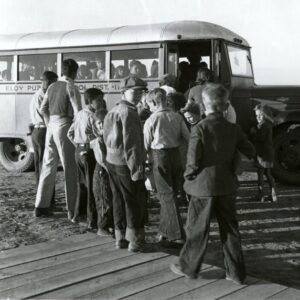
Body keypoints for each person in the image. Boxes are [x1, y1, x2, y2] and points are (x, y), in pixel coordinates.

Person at [170, 83, 255, 284]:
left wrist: (189, 176)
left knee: (198, 229)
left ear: (203, 106)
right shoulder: (234, 128)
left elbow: (193, 159)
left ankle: (189, 267)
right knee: (231, 230)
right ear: (226, 106)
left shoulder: (199, 128)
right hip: (227, 186)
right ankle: (236, 273)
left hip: (202, 187)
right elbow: (250, 150)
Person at [103, 74, 147, 252]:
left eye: (140, 92)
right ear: (124, 92)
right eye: (133, 92)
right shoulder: (129, 113)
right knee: (133, 201)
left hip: (111, 161)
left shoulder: (113, 110)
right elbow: (132, 145)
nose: (137, 95)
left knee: (118, 200)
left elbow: (105, 137)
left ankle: (120, 238)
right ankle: (135, 241)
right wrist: (137, 169)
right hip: (125, 163)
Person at [35, 59, 82, 219]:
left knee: (48, 166)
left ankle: (41, 205)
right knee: (70, 168)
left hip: (51, 127)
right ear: (75, 72)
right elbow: (78, 112)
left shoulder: (52, 86)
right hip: (64, 125)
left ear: (62, 71)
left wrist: (49, 124)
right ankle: (72, 209)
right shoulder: (71, 87)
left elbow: (42, 109)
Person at [144, 88, 189, 244]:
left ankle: (177, 235)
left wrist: (144, 162)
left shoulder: (152, 120)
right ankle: (164, 232)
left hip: (160, 156)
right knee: (171, 194)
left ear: (155, 103)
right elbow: (188, 137)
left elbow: (145, 144)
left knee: (165, 195)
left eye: (149, 104)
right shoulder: (177, 116)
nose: (148, 107)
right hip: (175, 155)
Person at [67, 88, 105, 228]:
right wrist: (88, 146)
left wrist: (79, 146)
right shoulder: (92, 116)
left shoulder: (79, 114)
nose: (101, 103)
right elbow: (96, 135)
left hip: (79, 151)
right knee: (92, 186)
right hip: (89, 152)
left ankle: (78, 215)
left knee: (82, 185)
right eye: (99, 100)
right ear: (90, 101)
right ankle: (91, 219)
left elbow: (70, 133)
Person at [30, 71, 58, 186]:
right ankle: (44, 192)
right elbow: (45, 112)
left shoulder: (39, 94)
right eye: (54, 82)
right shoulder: (43, 96)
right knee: (44, 162)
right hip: (42, 130)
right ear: (47, 81)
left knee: (40, 162)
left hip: (37, 131)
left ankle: (41, 191)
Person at [90, 109, 114, 236]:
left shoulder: (106, 137)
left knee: (108, 198)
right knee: (104, 199)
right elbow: (102, 159)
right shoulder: (98, 140)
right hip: (102, 172)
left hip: (106, 170)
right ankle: (102, 227)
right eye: (98, 123)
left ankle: (108, 224)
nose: (101, 125)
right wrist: (111, 171)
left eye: (103, 122)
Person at [250, 104, 277, 202]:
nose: (258, 117)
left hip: (262, 154)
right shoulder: (268, 124)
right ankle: (273, 194)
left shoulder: (263, 125)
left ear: (265, 115)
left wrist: (253, 132)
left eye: (260, 115)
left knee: (260, 173)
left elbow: (260, 138)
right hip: (268, 153)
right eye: (256, 115)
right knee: (267, 173)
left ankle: (260, 195)